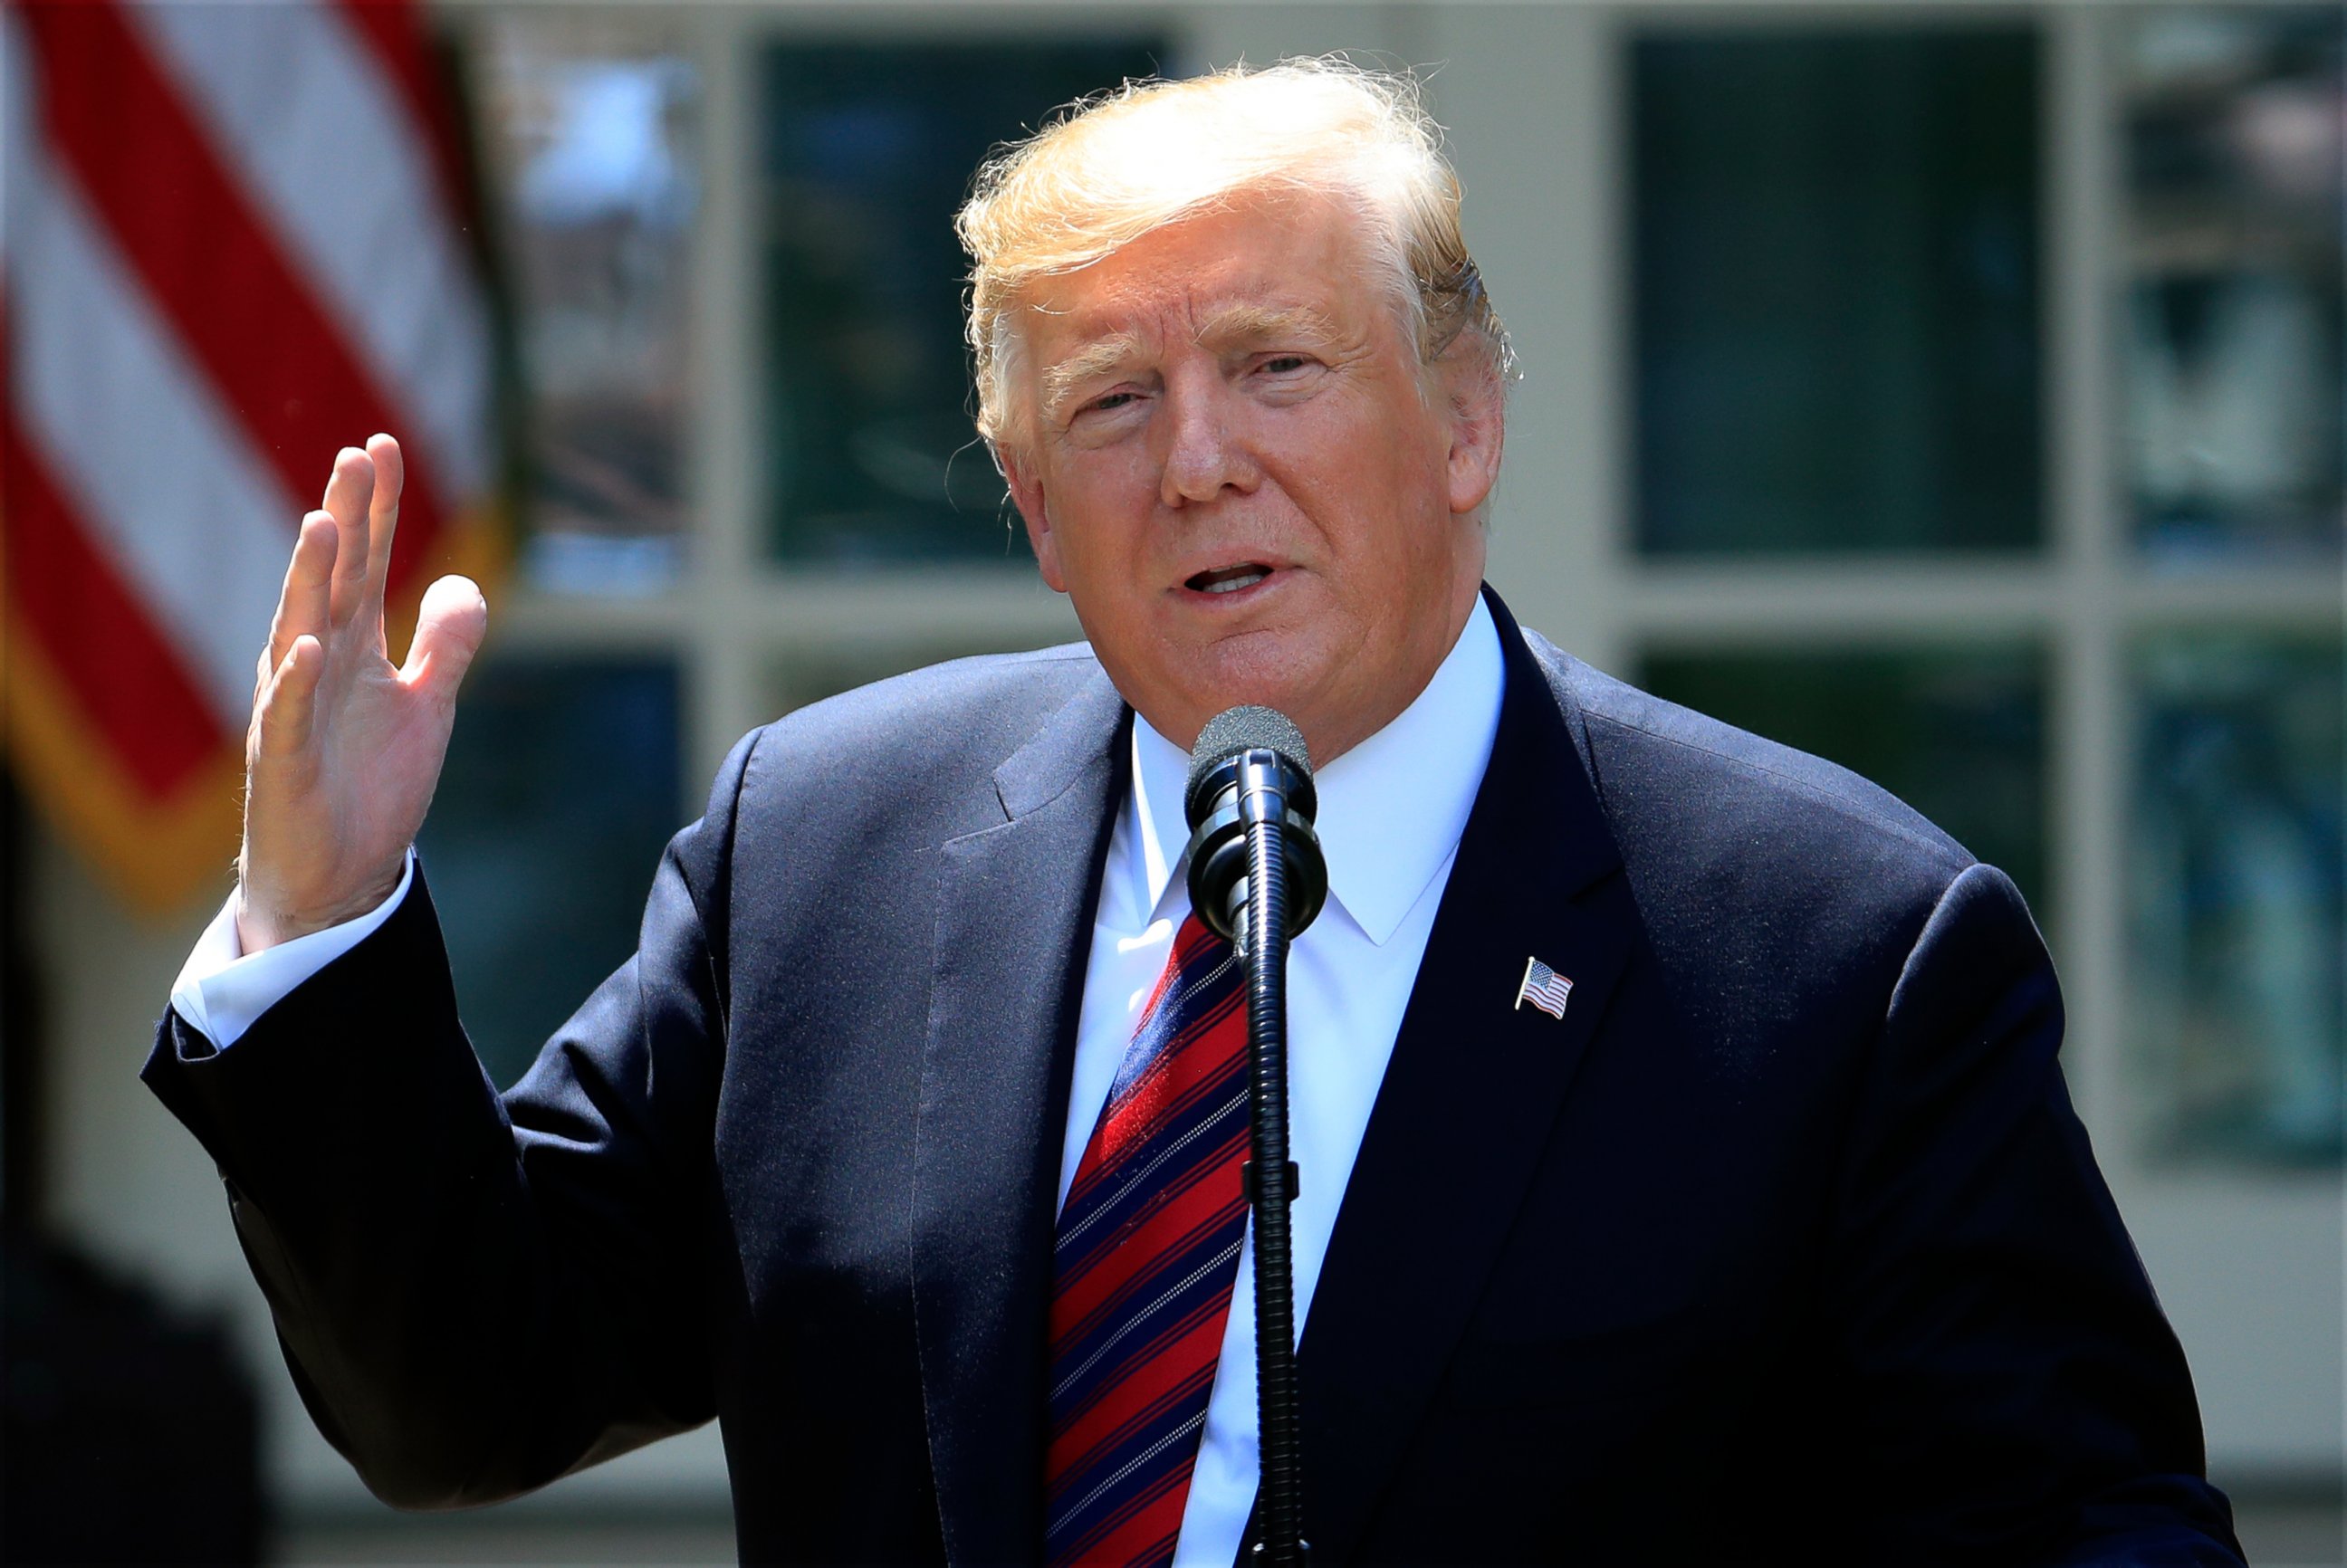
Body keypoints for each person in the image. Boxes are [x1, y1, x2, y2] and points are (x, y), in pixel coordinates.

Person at [147, 59, 2244, 1567]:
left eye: (1279, 365)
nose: (1202, 462)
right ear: (1039, 513)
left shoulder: (1838, 948)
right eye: (1114, 405)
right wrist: (317, 916)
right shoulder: (828, 846)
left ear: (1467, 420)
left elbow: (2093, 1523)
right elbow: (464, 1388)